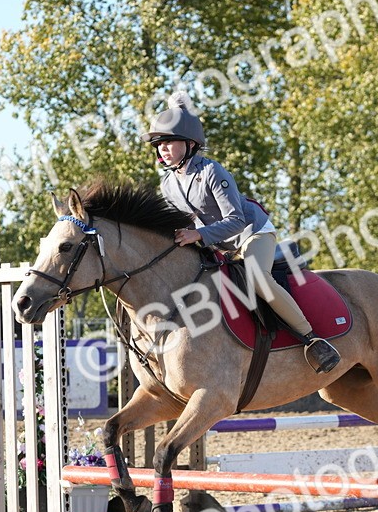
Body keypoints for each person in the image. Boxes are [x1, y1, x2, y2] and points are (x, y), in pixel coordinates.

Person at [141, 96, 340, 374]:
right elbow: (183, 225)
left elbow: (235, 221)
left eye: (169, 141)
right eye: (159, 144)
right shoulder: (168, 183)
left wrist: (197, 236)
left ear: (191, 144)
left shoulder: (212, 171)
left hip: (252, 233)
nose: (163, 148)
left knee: (258, 277)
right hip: (220, 244)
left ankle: (312, 339)